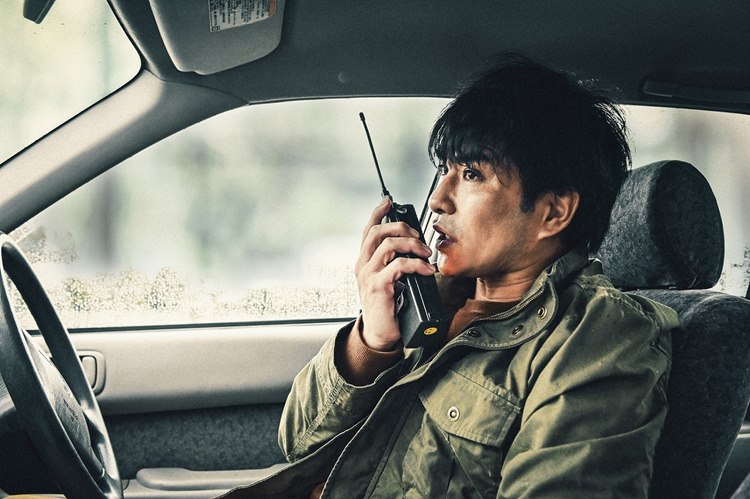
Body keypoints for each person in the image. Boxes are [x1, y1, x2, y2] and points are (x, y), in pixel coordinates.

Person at [222, 55, 677, 498]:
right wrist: (372, 342)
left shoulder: (599, 338)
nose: (437, 199)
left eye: (472, 174)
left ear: (554, 212)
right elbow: (297, 441)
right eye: (445, 169)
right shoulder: (431, 298)